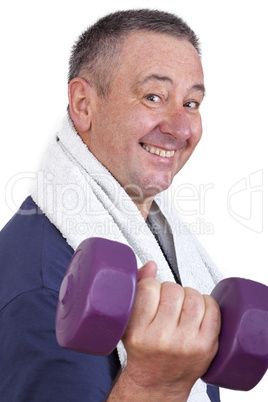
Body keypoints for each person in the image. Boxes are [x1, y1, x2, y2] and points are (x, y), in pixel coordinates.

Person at [0, 9, 222, 402]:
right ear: (84, 105)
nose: (181, 127)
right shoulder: (45, 288)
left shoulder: (166, 245)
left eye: (191, 103)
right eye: (154, 97)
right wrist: (152, 384)